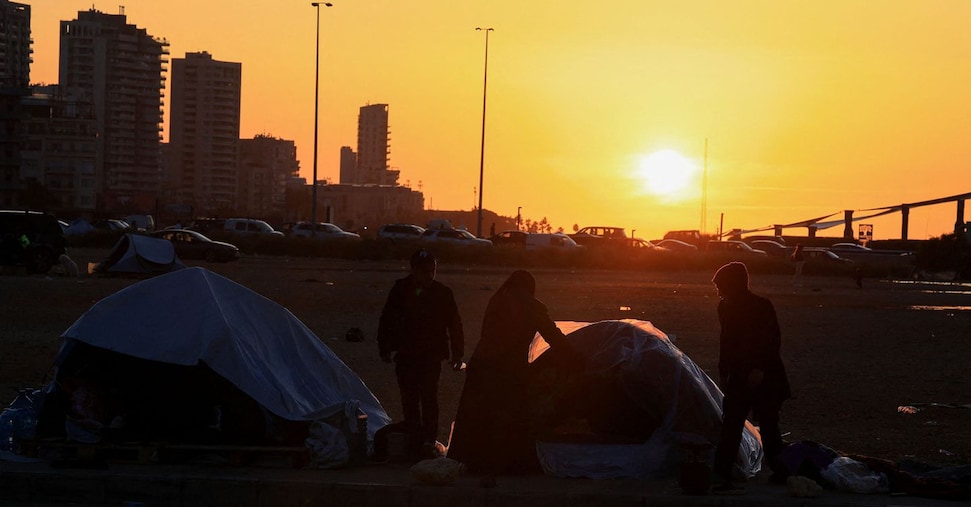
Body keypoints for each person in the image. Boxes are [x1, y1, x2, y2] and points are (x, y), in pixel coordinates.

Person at [447, 270, 579, 483]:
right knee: (507, 419)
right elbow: (554, 337)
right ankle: (499, 467)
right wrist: (576, 359)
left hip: (480, 367)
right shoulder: (532, 307)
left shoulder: (497, 301)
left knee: (478, 417)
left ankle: (473, 463)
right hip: (506, 370)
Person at [711, 262, 791, 492]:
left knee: (768, 424)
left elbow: (770, 340)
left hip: (765, 375)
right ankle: (722, 472)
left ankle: (780, 470)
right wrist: (723, 372)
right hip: (738, 373)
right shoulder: (724, 308)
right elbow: (726, 342)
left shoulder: (761, 306)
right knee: (731, 424)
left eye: (720, 285)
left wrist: (759, 369)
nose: (718, 291)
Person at [377, 249, 465, 456]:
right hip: (406, 355)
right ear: (414, 270)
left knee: (429, 398)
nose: (430, 275)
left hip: (431, 356)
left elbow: (455, 325)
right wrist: (385, 348)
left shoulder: (443, 293)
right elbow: (387, 320)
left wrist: (457, 354)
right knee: (409, 398)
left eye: (433, 271)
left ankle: (428, 440)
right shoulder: (400, 290)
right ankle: (414, 438)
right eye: (425, 271)